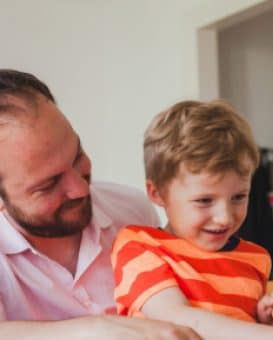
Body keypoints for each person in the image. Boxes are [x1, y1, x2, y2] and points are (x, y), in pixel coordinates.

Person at [111, 100, 273, 339]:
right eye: (204, 200)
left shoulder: (255, 258)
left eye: (238, 197)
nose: (225, 217)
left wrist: (272, 323)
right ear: (157, 193)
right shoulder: (139, 246)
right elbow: (180, 322)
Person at [0, 69, 201, 339]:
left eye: (77, 156)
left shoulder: (133, 211)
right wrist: (96, 329)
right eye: (48, 185)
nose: (81, 189)